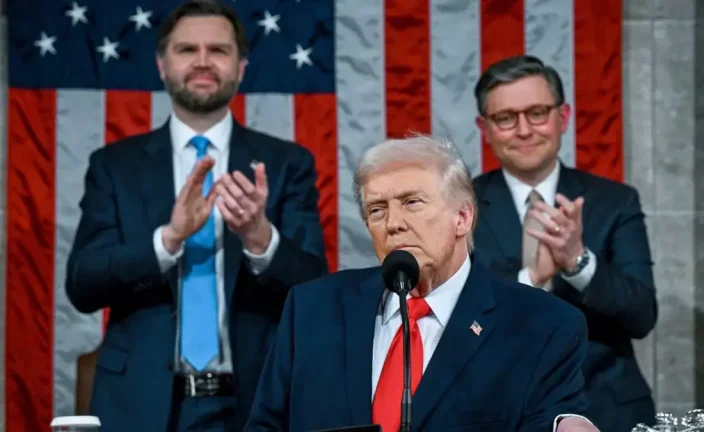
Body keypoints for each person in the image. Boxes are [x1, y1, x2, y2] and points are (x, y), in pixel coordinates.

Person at [64, 1, 328, 430]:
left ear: (241, 68)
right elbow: (82, 285)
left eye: (218, 50)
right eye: (187, 49)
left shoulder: (286, 164)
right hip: (140, 405)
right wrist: (166, 240)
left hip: (253, 402)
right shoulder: (114, 166)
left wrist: (260, 239)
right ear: (161, 65)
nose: (203, 61)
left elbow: (315, 286)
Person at [244, 135, 599, 432]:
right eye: (377, 209)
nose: (393, 223)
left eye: (412, 202)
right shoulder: (312, 310)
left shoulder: (541, 325)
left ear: (463, 217)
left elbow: (554, 418)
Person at [471, 55, 657, 431]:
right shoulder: (462, 208)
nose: (524, 130)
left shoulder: (615, 202)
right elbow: (456, 318)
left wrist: (577, 261)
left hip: (606, 410)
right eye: (505, 118)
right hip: (495, 410)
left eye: (537, 113)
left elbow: (641, 317)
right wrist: (532, 278)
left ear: (564, 117)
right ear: (484, 128)